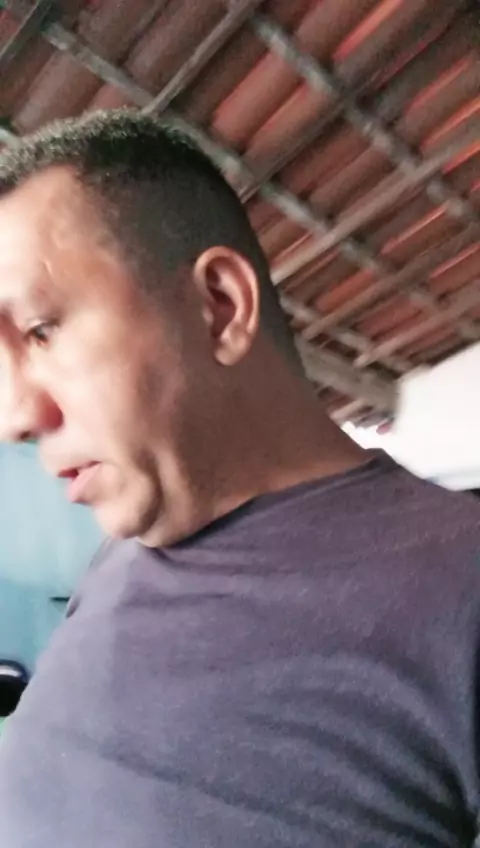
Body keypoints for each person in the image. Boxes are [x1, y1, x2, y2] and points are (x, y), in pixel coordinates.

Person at [0, 110, 478, 848]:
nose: (15, 416)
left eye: (41, 330)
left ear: (219, 307)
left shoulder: (461, 586)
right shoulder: (120, 550)